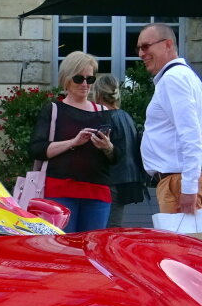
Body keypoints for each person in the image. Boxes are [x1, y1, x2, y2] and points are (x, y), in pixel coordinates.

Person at [137, 23, 202, 215]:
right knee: (183, 241)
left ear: (167, 44)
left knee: (178, 243)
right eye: (139, 48)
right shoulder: (186, 76)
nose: (141, 53)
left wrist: (189, 189)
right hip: (181, 177)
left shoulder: (173, 78)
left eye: (146, 46)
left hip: (179, 179)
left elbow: (190, 134)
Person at [28, 51, 115, 232]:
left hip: (97, 192)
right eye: (79, 79)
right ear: (67, 79)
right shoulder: (53, 110)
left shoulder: (103, 111)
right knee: (63, 250)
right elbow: (37, 149)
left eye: (90, 80)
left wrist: (108, 147)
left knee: (93, 250)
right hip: (61, 191)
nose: (85, 84)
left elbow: (117, 157)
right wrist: (73, 142)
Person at [94, 73, 146, 227]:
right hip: (128, 179)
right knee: (114, 226)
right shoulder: (126, 116)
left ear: (98, 93)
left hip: (110, 180)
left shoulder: (103, 118)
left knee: (107, 230)